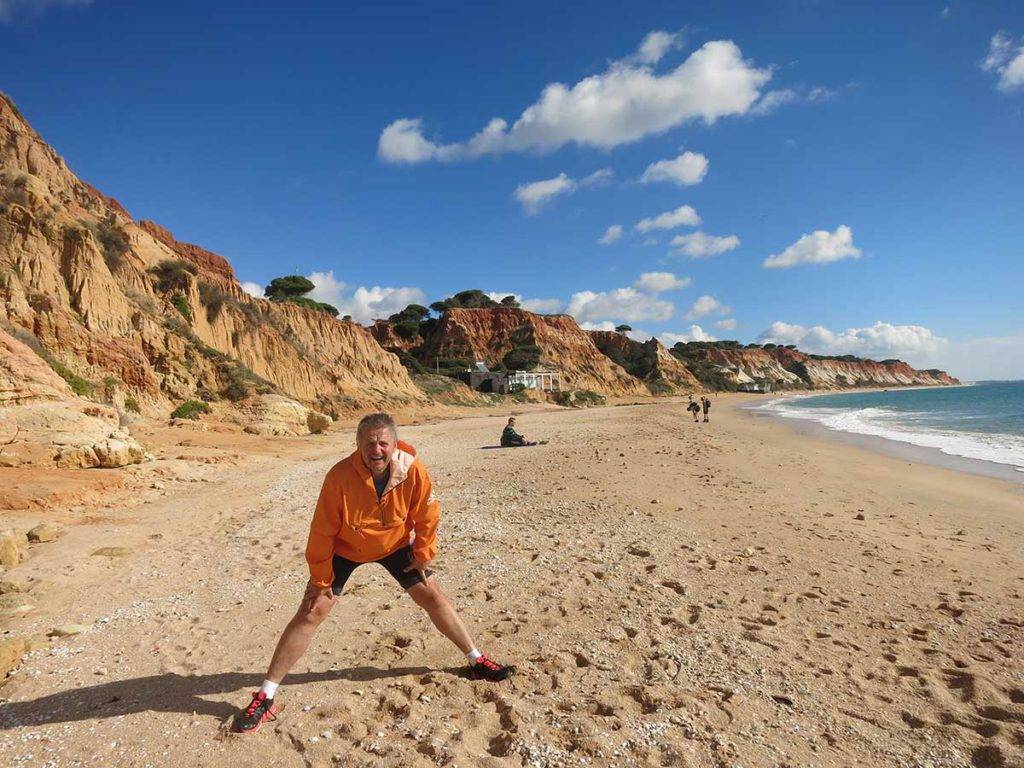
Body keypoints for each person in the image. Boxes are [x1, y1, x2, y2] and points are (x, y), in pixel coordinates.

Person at [233, 412, 513, 734]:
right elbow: (322, 531)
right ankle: (266, 696)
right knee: (312, 611)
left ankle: (476, 660)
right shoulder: (338, 477)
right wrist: (322, 580)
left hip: (394, 543)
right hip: (345, 548)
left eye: (383, 443)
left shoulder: (412, 470)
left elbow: (427, 514)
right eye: (369, 443)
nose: (376, 450)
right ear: (358, 445)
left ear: (394, 445)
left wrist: (422, 554)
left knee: (432, 595)